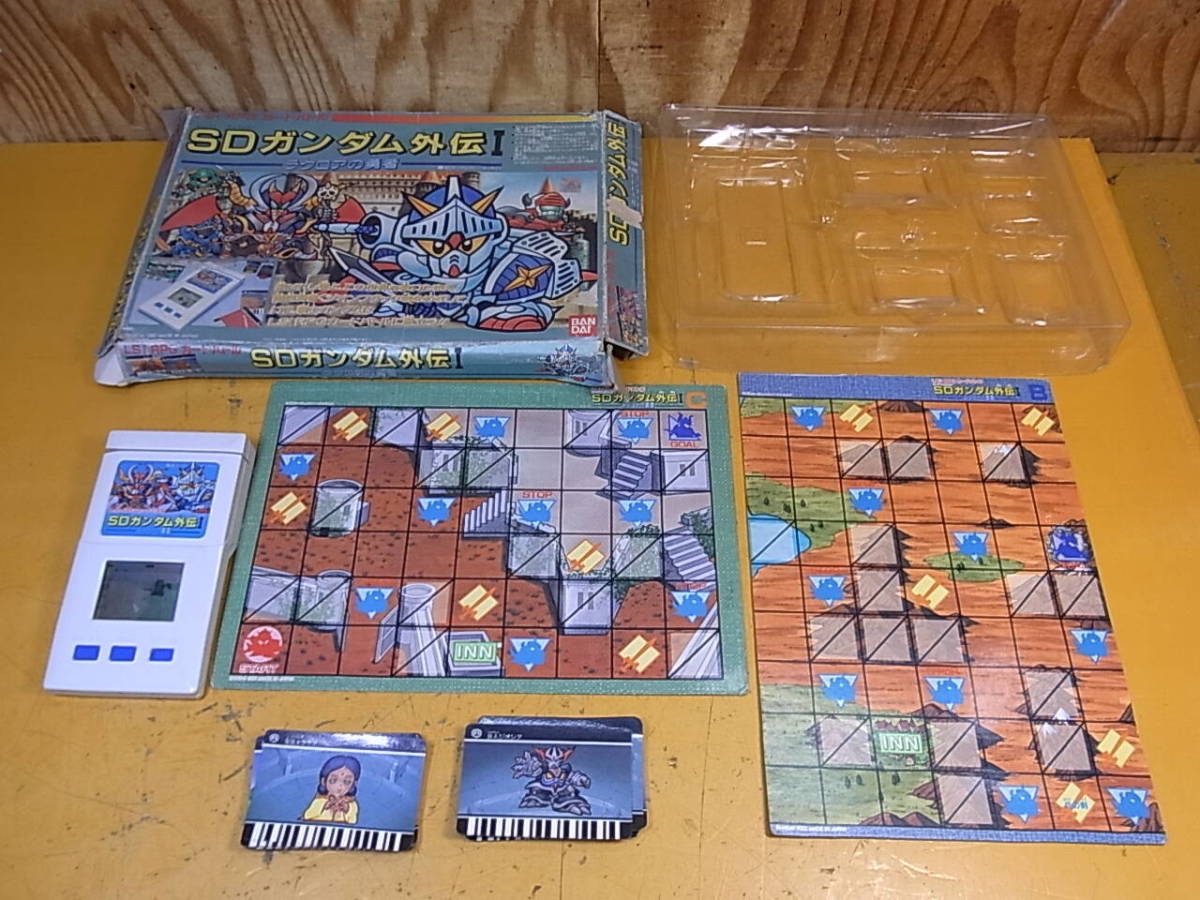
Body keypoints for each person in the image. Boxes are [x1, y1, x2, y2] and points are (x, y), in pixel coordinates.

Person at [301, 755, 361, 824]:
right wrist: (325, 805)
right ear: (323, 781)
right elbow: (307, 816)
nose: (339, 786)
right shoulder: (320, 800)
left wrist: (347, 809)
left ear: (354, 784)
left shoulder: (351, 804)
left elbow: (353, 821)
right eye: (333, 780)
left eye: (347, 782)